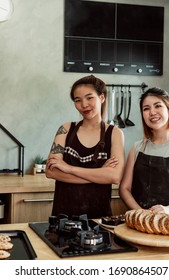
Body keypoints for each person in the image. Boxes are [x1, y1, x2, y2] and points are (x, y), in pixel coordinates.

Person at [46, 75, 125, 219]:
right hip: (63, 217)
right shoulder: (65, 129)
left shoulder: (114, 133)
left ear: (101, 98)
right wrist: (100, 174)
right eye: (78, 100)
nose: (84, 104)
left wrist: (69, 169)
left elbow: (115, 176)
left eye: (89, 98)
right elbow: (51, 171)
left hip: (99, 218)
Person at [119, 87, 169, 214]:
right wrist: (140, 213)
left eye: (157, 106)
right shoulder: (137, 148)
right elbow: (124, 189)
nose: (152, 112)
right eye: (146, 109)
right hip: (140, 223)